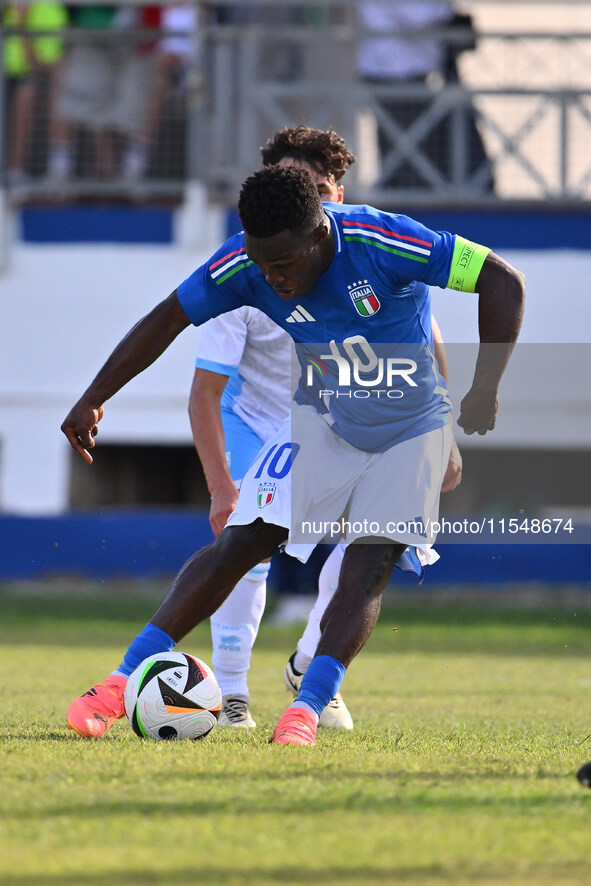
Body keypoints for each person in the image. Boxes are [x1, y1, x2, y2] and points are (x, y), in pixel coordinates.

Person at [62, 164, 525, 745]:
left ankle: (304, 711)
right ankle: (119, 681)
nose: (272, 279)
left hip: (410, 427)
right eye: (262, 264)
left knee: (369, 561)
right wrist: (93, 397)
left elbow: (502, 280)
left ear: (319, 236)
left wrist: (485, 389)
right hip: (323, 415)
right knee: (241, 540)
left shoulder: (383, 240)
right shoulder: (245, 264)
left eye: (284, 265)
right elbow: (167, 317)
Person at [190, 124, 461, 730]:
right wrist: (220, 485)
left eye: (317, 187)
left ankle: (309, 668)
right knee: (245, 548)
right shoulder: (249, 267)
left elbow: (425, 342)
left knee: (369, 541)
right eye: (292, 186)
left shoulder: (371, 252)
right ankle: (230, 693)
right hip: (256, 421)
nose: (307, 198)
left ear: (336, 194)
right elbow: (206, 393)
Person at [357, 0, 493, 190]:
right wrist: (447, 10)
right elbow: (417, 15)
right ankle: (400, 198)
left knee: (415, 154)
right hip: (394, 78)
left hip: (412, 78)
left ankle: (403, 194)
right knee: (404, 155)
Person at [3, 2, 69, 193]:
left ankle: (15, 172)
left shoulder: (51, 11)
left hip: (27, 76)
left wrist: (22, 25)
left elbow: (38, 65)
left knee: (26, 92)